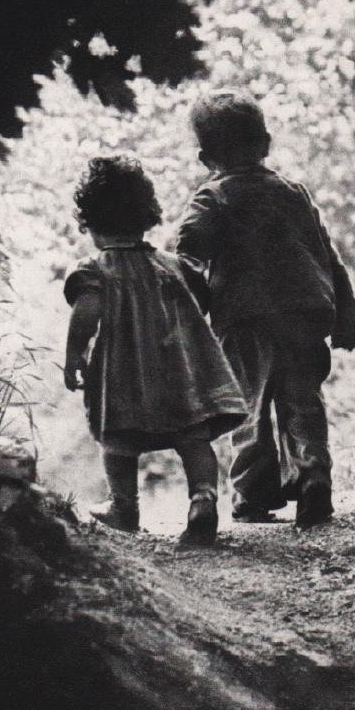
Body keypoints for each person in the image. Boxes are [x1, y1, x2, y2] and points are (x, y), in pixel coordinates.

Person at [175, 90, 355, 529]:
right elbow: (327, 255)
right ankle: (314, 477)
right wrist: (347, 312)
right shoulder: (294, 193)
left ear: (205, 158)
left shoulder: (212, 197)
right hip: (303, 312)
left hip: (244, 318)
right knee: (303, 400)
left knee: (248, 407)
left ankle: (253, 495)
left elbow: (187, 256)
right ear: (266, 143)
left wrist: (195, 307)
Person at [63, 155, 246, 546]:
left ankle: (124, 507)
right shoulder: (173, 266)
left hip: (123, 376)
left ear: (89, 223)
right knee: (194, 438)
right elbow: (201, 297)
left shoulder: (95, 269)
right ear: (146, 215)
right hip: (181, 372)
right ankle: (203, 499)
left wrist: (74, 354)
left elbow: (86, 312)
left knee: (116, 442)